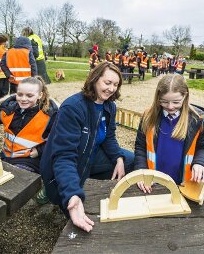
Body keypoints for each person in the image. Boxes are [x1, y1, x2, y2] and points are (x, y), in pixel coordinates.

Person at [40, 61, 135, 232]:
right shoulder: (73, 107)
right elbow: (64, 155)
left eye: (116, 84)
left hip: (91, 155)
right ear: (94, 79)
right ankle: (57, 192)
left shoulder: (109, 106)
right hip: (70, 162)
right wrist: (72, 193)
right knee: (73, 207)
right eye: (107, 83)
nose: (112, 88)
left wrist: (118, 158)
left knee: (130, 160)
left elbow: (109, 137)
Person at [134, 74, 204, 192]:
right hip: (153, 182)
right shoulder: (148, 116)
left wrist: (200, 163)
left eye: (176, 102)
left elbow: (203, 147)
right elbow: (140, 146)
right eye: (164, 102)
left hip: (183, 183)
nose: (170, 107)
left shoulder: (198, 119)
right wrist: (141, 170)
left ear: (185, 96)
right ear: (157, 97)